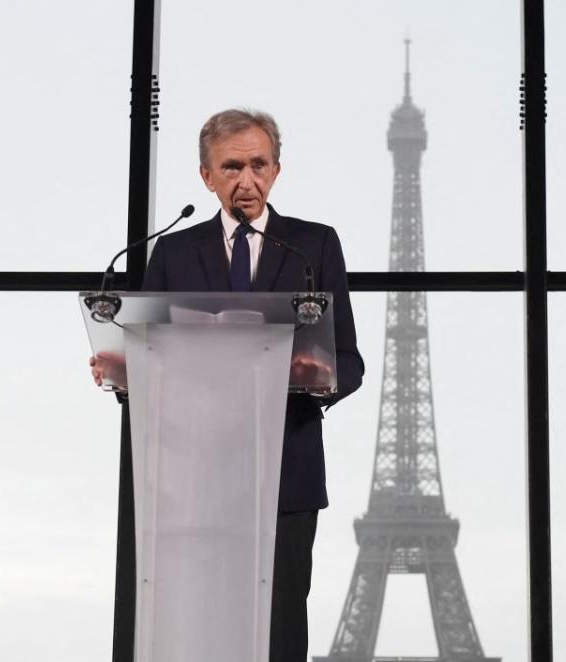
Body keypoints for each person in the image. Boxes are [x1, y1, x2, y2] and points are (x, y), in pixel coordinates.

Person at [91, 108, 364, 661]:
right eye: (232, 166)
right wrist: (124, 373)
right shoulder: (174, 252)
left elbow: (349, 360)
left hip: (286, 471)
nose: (248, 180)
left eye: (259, 164)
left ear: (278, 169)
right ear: (206, 176)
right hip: (196, 479)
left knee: (281, 630)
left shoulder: (313, 246)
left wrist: (323, 378)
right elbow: (153, 354)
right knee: (198, 631)